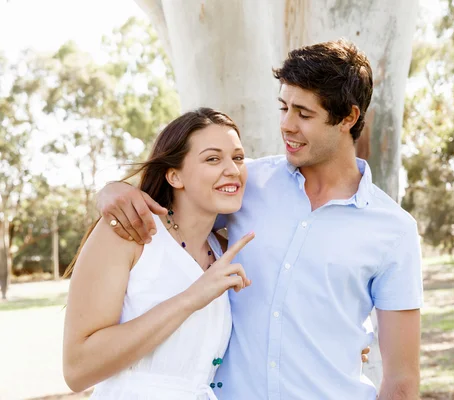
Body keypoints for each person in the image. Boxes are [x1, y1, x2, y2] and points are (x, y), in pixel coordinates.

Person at [98, 39, 423, 399]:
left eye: (304, 114)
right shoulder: (245, 184)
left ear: (348, 117)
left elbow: (401, 380)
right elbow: (172, 193)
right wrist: (111, 191)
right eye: (284, 107)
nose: (286, 125)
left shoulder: (394, 231)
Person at [63, 108, 255, 400]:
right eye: (213, 158)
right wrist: (191, 298)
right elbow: (77, 370)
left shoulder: (223, 251)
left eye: (238, 158)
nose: (232, 169)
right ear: (175, 176)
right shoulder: (128, 234)